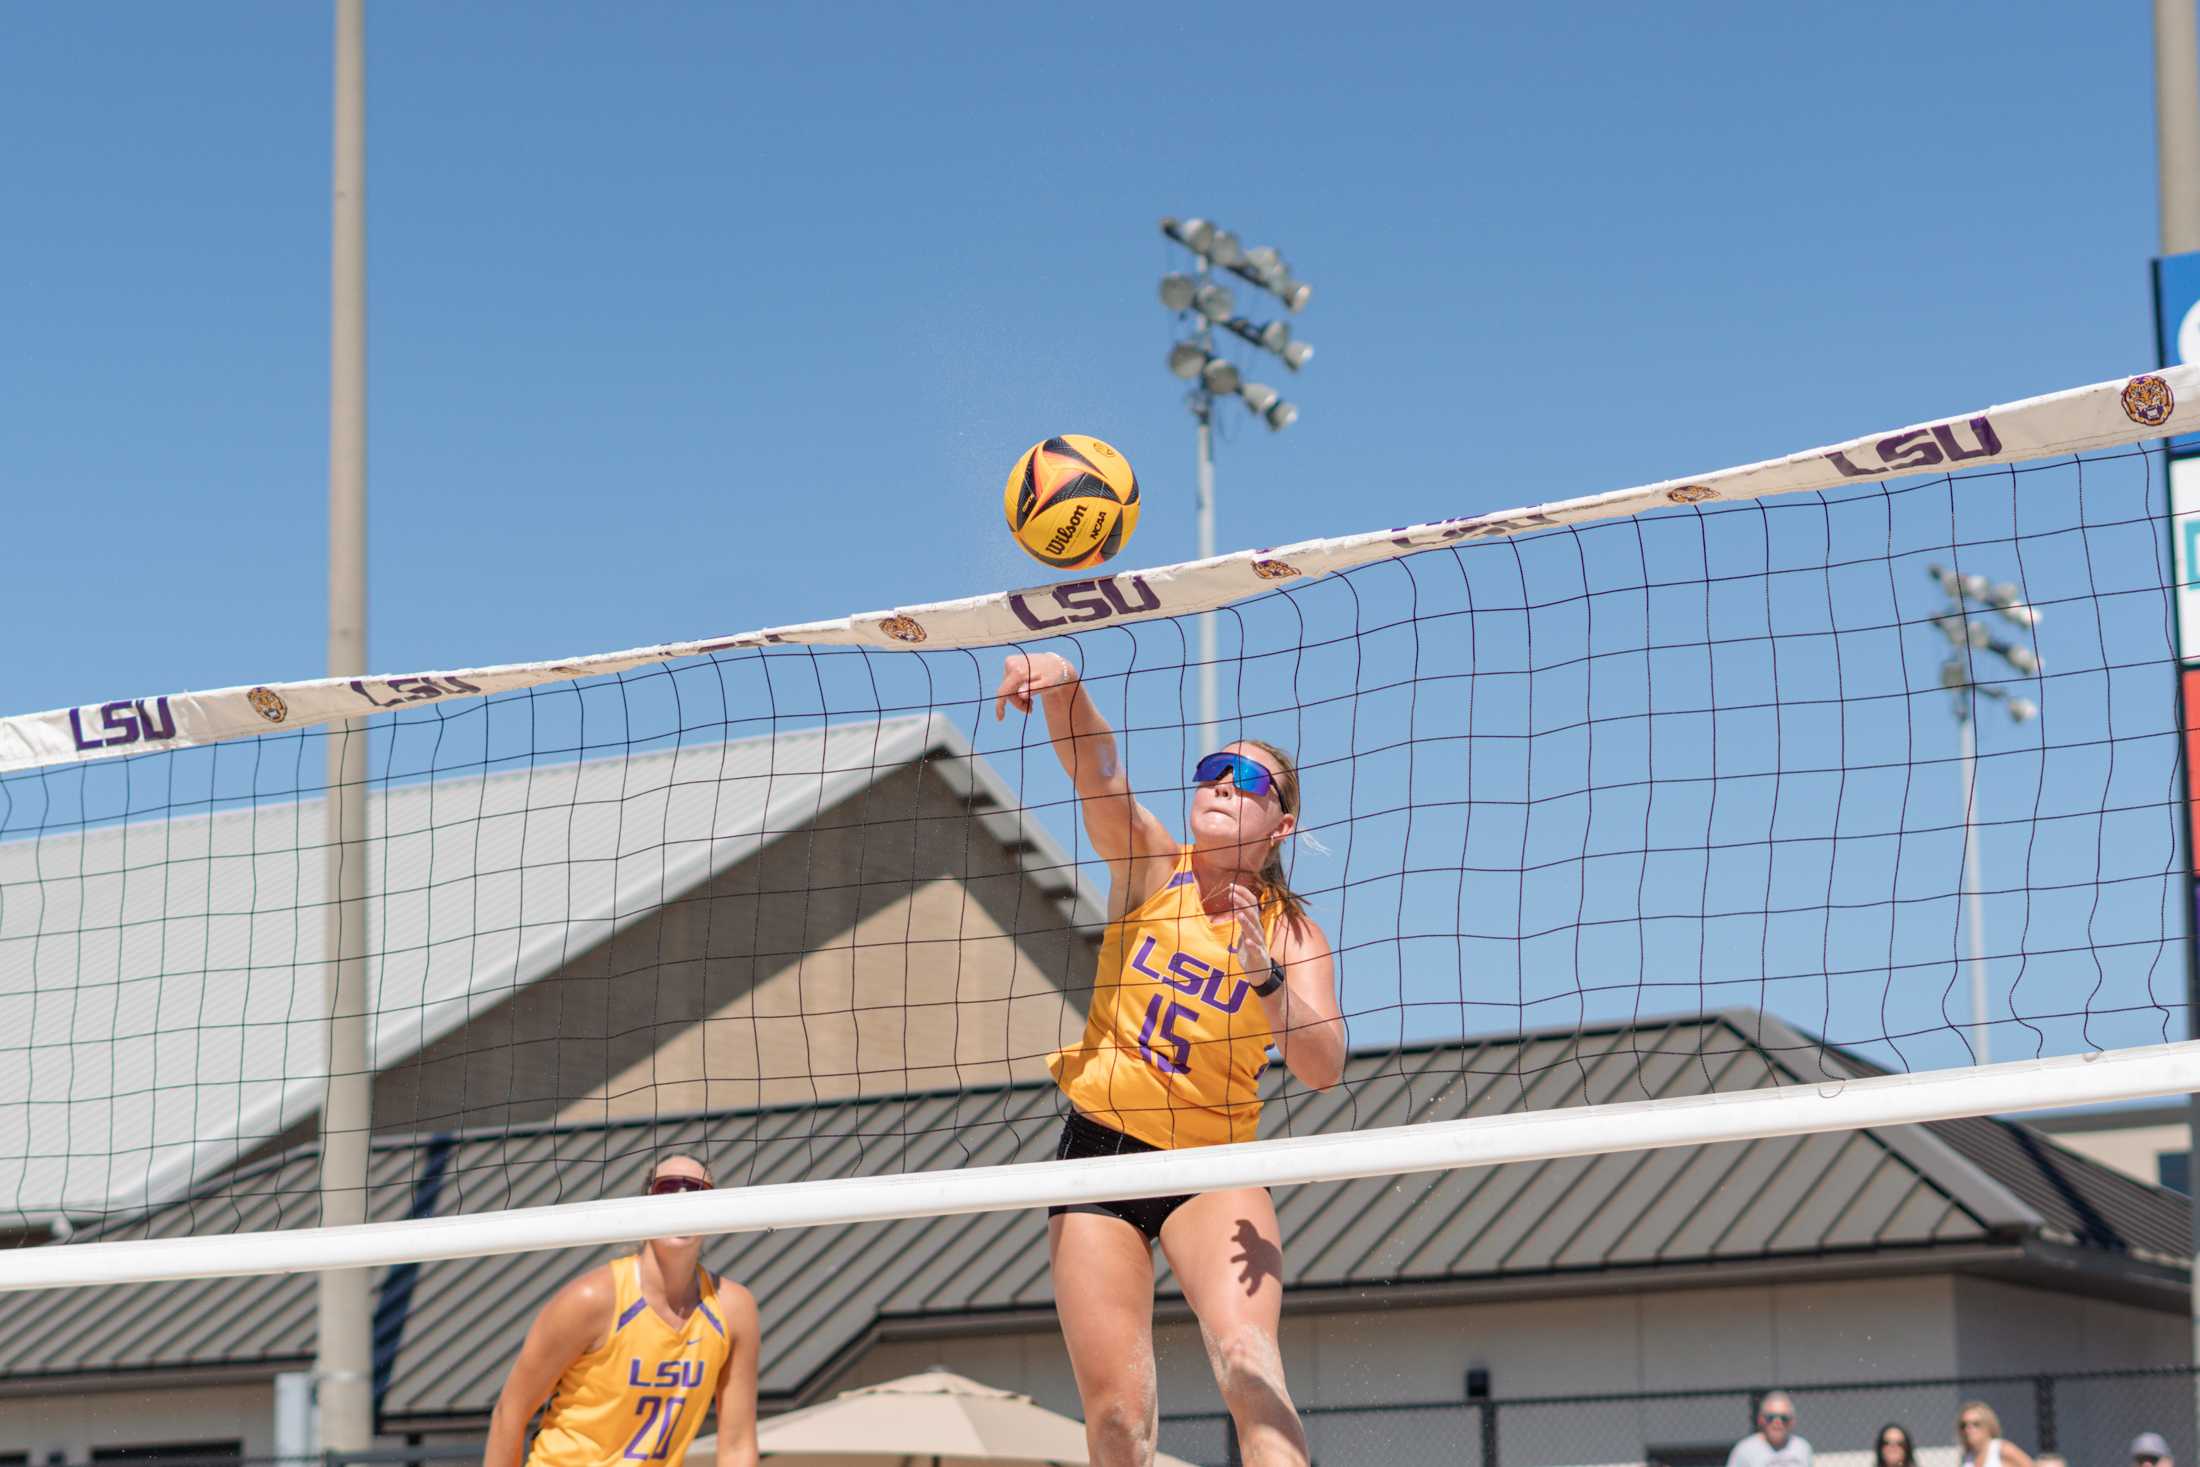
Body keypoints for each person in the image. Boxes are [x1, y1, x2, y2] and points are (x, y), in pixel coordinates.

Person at [995, 653, 1346, 1467]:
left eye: (1247, 779)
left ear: (1281, 826)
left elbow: (1323, 1063)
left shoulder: (1291, 933)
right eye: (1211, 770)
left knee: (1250, 1368)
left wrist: (1264, 979)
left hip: (1212, 1162)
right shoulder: (1153, 865)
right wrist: (1063, 683)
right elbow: (1099, 771)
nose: (1223, 783)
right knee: (1118, 1419)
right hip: (1100, 1151)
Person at [483, 1153, 760, 1467]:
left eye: (697, 1192)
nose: (683, 1200)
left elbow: (737, 1447)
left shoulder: (733, 1308)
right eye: (667, 1189)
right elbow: (509, 1413)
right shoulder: (592, 1299)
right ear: (644, 1205)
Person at [1727, 1390, 1812, 1467]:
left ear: (1792, 1421)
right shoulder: (1744, 1450)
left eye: (1784, 1418)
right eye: (1770, 1418)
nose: (1777, 1423)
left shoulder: (1802, 1447)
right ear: (1760, 1420)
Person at [1957, 1402, 2035, 1467]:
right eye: (1963, 1425)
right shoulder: (1967, 1457)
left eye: (1976, 1424)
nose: (1968, 1429)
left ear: (1988, 1425)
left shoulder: (2001, 1449)